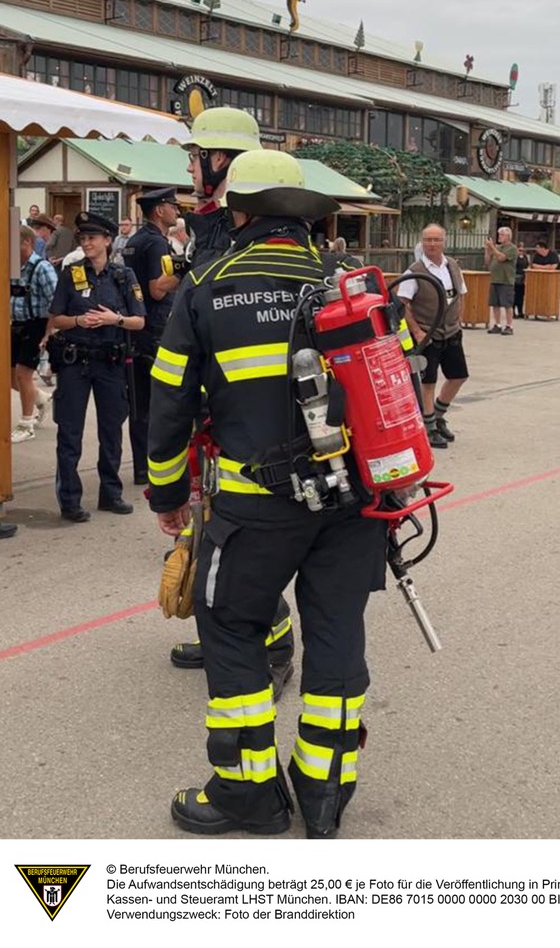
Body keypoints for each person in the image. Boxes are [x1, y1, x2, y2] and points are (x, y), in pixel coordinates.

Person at [147, 150, 388, 839]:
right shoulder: (347, 282)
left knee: (230, 628)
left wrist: (169, 494)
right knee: (338, 635)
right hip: (352, 501)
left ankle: (248, 793)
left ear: (239, 213)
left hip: (257, 506)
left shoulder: (207, 286)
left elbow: (169, 404)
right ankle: (323, 792)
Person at [166, 107, 296, 695]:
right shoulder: (211, 223)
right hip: (215, 408)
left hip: (234, 415)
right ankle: (220, 619)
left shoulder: (231, 228)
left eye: (196, 156)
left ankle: (271, 641)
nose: (189, 166)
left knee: (235, 535)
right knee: (210, 528)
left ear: (222, 162)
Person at [48, 211, 146, 522]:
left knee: (111, 431)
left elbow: (139, 320)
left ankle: (111, 493)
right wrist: (78, 320)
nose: (86, 243)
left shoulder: (123, 276)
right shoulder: (70, 273)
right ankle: (69, 500)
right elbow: (56, 318)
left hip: (110, 362)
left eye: (92, 238)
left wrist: (112, 319)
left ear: (107, 240)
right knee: (69, 432)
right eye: (82, 238)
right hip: (76, 361)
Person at [122, 188, 182, 485]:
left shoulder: (134, 241)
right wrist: (187, 269)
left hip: (137, 330)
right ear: (159, 210)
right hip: (155, 330)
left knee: (139, 403)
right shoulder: (157, 243)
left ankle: (140, 466)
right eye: (173, 205)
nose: (177, 210)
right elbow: (158, 288)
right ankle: (153, 465)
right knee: (158, 402)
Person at [398, 223, 468, 446]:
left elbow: (461, 294)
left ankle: (437, 417)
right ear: (422, 242)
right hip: (428, 334)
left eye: (437, 239)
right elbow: (403, 304)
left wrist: (458, 320)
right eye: (428, 240)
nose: (432, 244)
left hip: (452, 332)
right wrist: (417, 332)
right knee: (428, 382)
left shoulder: (453, 266)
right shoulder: (414, 271)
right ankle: (428, 428)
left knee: (458, 376)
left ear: (444, 242)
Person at [10, 226, 57, 442]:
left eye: (14, 242)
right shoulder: (11, 266)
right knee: (10, 377)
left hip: (36, 324)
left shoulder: (41, 267)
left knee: (23, 374)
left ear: (27, 242)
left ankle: (26, 424)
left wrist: (49, 332)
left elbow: (56, 303)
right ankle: (41, 398)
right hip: (15, 324)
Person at [485, 225, 517, 334]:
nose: (500, 237)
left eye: (502, 235)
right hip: (494, 279)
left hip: (506, 280)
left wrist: (492, 247)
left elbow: (501, 258)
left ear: (508, 236)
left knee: (507, 304)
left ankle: (509, 325)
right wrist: (487, 250)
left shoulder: (512, 248)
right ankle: (497, 324)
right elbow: (487, 262)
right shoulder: (497, 247)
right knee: (495, 304)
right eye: (499, 234)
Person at [513, 242, 529, 317]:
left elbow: (527, 265)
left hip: (522, 278)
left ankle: (520, 311)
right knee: (514, 295)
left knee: (521, 296)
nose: (521, 251)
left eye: (522, 250)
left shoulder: (525, 257)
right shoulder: (515, 258)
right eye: (519, 250)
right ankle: (513, 311)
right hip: (515, 277)